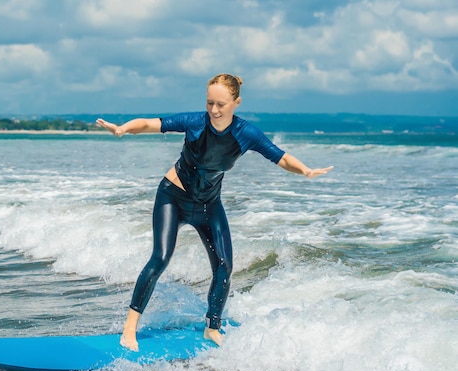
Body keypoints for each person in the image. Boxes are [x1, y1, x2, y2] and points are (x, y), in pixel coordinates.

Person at [96, 74, 333, 351]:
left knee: (224, 267)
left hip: (209, 205)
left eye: (221, 104)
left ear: (236, 103)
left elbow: (279, 156)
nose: (214, 110)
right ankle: (129, 328)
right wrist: (123, 129)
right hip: (173, 197)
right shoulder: (195, 122)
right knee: (160, 258)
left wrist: (304, 170)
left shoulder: (246, 133)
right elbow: (152, 123)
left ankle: (212, 327)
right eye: (210, 103)